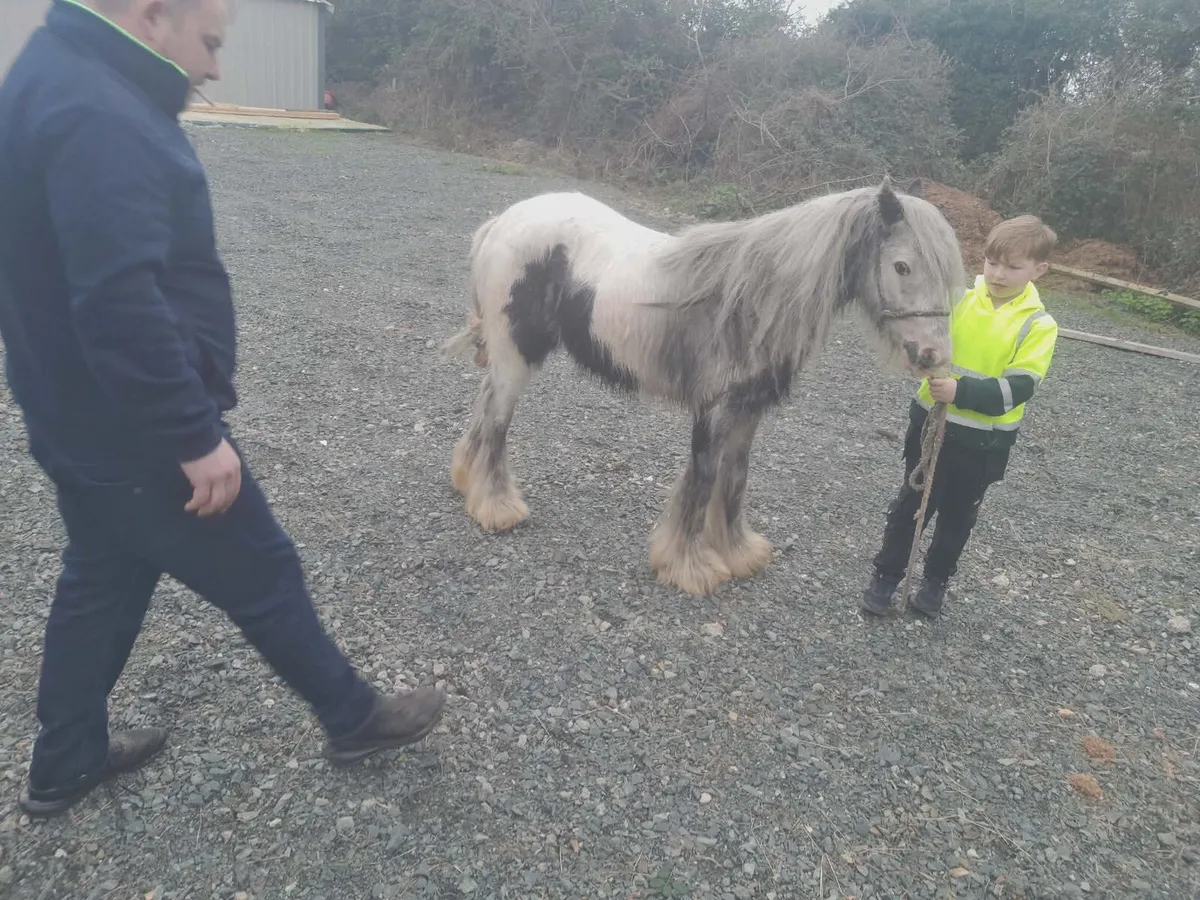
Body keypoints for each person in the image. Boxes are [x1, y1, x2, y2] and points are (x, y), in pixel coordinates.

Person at [0, 0, 445, 818]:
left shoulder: (48, 72)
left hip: (73, 411)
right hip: (132, 427)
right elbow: (119, 301)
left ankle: (66, 757)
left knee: (103, 572)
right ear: (151, 15)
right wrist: (193, 435)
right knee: (260, 567)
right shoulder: (100, 111)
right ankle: (353, 717)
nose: (214, 67)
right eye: (209, 43)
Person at [860, 214, 1060, 618]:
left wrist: (961, 391)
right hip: (929, 427)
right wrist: (914, 356)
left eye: (1012, 266)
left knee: (957, 517)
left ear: (1039, 270)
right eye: (991, 262)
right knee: (910, 506)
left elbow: (1021, 387)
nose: (998, 274)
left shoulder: (1038, 325)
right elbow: (925, 337)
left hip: (983, 444)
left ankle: (935, 583)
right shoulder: (959, 301)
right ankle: (886, 575)